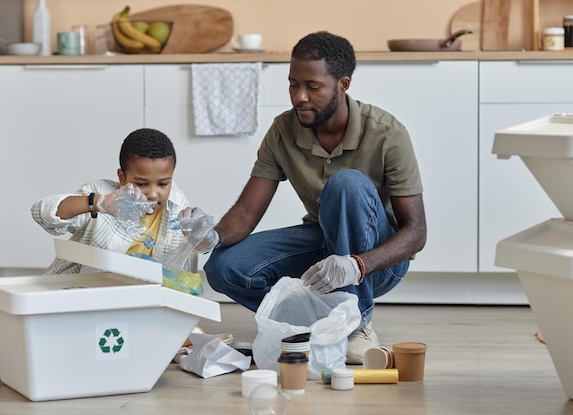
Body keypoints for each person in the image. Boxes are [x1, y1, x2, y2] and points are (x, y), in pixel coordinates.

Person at [195, 31, 427, 364]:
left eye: (312, 87)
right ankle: (312, 321)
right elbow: (246, 212)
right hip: (323, 243)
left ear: (343, 84)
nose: (299, 97)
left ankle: (355, 322)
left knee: (346, 184)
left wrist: (357, 265)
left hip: (377, 261)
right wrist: (212, 236)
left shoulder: (387, 134)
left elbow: (416, 233)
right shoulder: (282, 130)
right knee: (223, 267)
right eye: (293, 84)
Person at [31, 128, 217, 274]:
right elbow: (42, 213)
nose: (153, 194)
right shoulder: (101, 193)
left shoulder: (177, 202)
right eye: (142, 184)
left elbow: (196, 250)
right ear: (122, 177)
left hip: (146, 299)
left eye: (163, 183)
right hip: (86, 292)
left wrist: (204, 237)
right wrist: (97, 203)